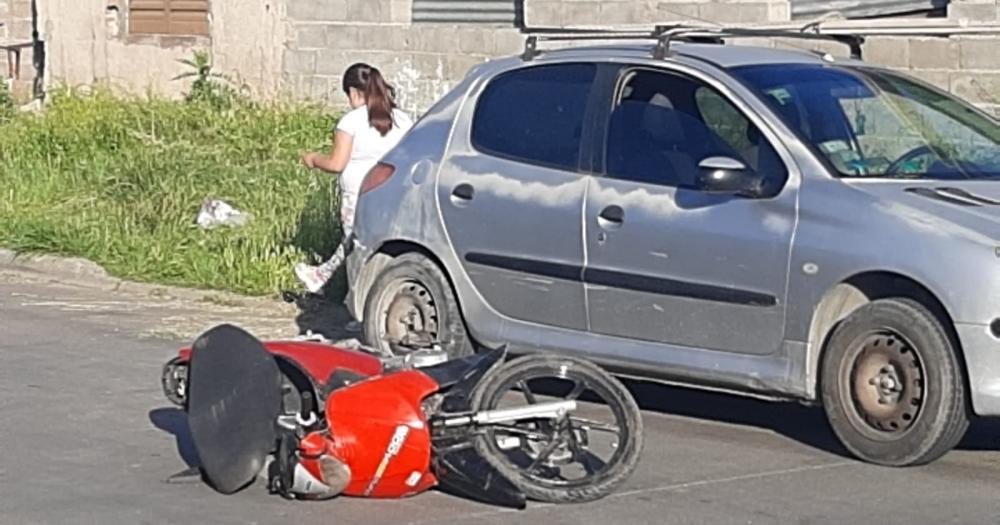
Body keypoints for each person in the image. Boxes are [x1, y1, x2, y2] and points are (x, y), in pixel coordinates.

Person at [296, 63, 413, 294]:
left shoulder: (351, 121)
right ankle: (328, 279)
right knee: (372, 247)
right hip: (392, 192)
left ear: (354, 92)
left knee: (356, 247)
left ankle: (335, 286)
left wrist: (313, 159)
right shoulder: (402, 120)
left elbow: (336, 163)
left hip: (357, 193)